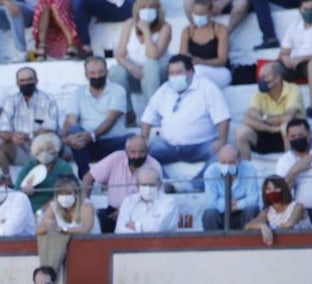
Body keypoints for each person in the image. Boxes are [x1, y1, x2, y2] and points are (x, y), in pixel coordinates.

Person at [140, 56, 229, 190]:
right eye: (171, 73)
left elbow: (223, 118)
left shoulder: (207, 87)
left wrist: (222, 141)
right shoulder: (165, 89)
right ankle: (166, 185)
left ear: (191, 71)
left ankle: (194, 186)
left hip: (201, 145)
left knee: (224, 155)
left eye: (179, 72)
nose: (174, 77)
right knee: (140, 154)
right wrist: (144, 139)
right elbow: (148, 117)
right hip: (169, 146)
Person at [62, 56, 128, 179]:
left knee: (133, 140)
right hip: (86, 145)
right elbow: (70, 120)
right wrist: (66, 139)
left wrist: (91, 136)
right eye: (92, 73)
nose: (97, 76)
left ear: (107, 73)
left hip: (113, 143)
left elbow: (110, 120)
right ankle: (86, 176)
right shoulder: (78, 93)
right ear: (86, 75)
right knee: (75, 131)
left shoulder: (118, 90)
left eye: (100, 72)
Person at [109, 0, 172, 126]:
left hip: (158, 75)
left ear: (157, 9)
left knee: (150, 65)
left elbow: (153, 55)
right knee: (115, 71)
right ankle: (128, 114)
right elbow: (120, 55)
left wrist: (146, 30)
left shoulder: (165, 27)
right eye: (143, 7)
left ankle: (152, 115)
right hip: (136, 74)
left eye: (151, 7)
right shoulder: (129, 24)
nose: (147, 10)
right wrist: (131, 67)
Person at [83, 134, 163, 232]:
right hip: (112, 212)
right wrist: (85, 204)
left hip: (141, 212)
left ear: (147, 151)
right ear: (126, 151)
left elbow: (157, 198)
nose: (137, 156)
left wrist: (124, 211)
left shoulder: (154, 165)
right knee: (93, 221)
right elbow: (88, 177)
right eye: (133, 152)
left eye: (141, 152)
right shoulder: (115, 158)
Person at [0, 67, 61, 174]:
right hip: (19, 149)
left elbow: (50, 129)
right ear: (17, 83)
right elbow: (2, 129)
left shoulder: (48, 99)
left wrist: (28, 135)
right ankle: (7, 183)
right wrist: (12, 137)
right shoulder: (11, 101)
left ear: (36, 81)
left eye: (29, 79)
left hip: (41, 148)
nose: (26, 83)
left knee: (48, 140)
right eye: (22, 81)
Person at [278, 0, 312, 117]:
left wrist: (302, 59)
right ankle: (278, 110)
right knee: (271, 69)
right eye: (306, 9)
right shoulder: (293, 26)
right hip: (296, 63)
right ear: (300, 10)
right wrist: (285, 59)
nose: (309, 12)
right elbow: (284, 51)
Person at [237, 62, 303, 160]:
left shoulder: (293, 89)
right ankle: (246, 171)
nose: (261, 80)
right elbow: (248, 116)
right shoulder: (260, 93)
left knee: (286, 126)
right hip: (266, 132)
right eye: (260, 77)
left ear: (277, 78)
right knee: (242, 132)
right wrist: (271, 128)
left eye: (264, 76)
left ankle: (289, 164)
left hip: (291, 136)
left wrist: (262, 118)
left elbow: (288, 117)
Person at [275, 117, 312, 225]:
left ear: (310, 134)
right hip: (301, 213)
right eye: (293, 136)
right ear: (287, 138)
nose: (297, 138)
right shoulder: (284, 160)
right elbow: (280, 195)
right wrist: (294, 170)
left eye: (301, 135)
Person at [201, 145, 262, 230]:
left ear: (239, 160)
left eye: (231, 162)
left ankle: (248, 242)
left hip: (241, 213)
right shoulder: (211, 172)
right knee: (209, 214)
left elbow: (254, 199)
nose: (227, 166)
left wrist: (238, 205)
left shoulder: (249, 169)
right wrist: (231, 203)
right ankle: (214, 243)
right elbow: (211, 203)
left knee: (252, 210)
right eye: (223, 162)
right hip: (221, 214)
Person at [14, 132, 74, 212]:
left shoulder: (64, 167)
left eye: (49, 149)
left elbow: (71, 190)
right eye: (41, 149)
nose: (45, 153)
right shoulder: (29, 166)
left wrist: (43, 210)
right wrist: (24, 191)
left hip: (56, 208)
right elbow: (16, 191)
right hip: (29, 207)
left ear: (56, 151)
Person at [244, 174, 311, 245]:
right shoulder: (268, 211)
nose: (272, 191)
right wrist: (262, 226)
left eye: (276, 188)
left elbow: (288, 225)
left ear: (283, 189)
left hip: (303, 246)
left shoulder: (297, 206)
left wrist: (270, 230)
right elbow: (247, 226)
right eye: (268, 189)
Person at [178, 0, 231, 89]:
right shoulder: (187, 31)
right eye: (196, 14)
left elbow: (222, 60)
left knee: (198, 72)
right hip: (195, 70)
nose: (198, 17)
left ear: (210, 13)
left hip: (220, 71)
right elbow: (182, 57)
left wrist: (201, 61)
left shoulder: (220, 30)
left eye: (201, 14)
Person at [114, 166, 178, 233]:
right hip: (133, 243)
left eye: (152, 185)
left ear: (159, 185)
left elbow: (158, 227)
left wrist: (136, 226)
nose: (148, 188)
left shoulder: (169, 202)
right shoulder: (128, 201)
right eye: (144, 185)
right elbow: (120, 230)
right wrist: (147, 228)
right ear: (137, 185)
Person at [0, 0, 34, 64]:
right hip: (5, 13)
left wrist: (8, 3)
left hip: (27, 13)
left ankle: (21, 50)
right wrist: (5, 2)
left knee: (14, 5)